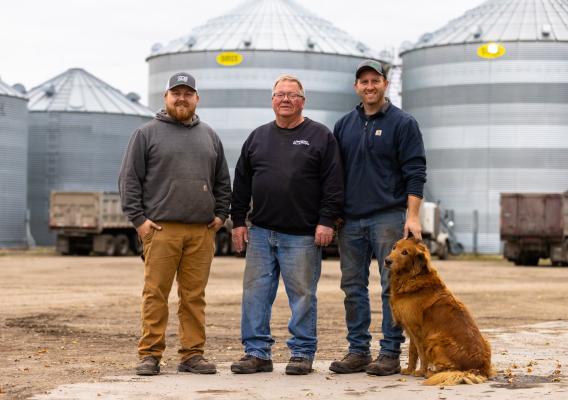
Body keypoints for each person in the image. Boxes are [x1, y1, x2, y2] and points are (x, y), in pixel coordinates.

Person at [118, 72, 231, 376]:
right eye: (176, 93)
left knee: (194, 297)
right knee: (156, 293)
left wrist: (221, 215)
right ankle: (150, 355)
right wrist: (139, 221)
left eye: (188, 93)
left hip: (202, 231)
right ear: (165, 97)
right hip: (161, 230)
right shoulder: (146, 133)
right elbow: (129, 180)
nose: (182, 98)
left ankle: (192, 355)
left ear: (197, 98)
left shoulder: (209, 135)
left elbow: (223, 180)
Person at [230, 75, 344, 375]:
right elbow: (241, 182)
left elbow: (334, 183)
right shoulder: (257, 137)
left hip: (303, 235)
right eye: (279, 94)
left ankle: (302, 353)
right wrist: (239, 221)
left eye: (292, 95)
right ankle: (257, 353)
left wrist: (326, 220)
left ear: (302, 101)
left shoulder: (320, 136)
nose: (285, 99)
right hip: (261, 232)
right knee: (255, 295)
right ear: (272, 101)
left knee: (303, 296)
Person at [329, 60, 427, 375]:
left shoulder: (403, 123)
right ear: (356, 87)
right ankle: (358, 350)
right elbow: (334, 174)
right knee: (353, 286)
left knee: (392, 288)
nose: (370, 86)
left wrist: (412, 216)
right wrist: (334, 214)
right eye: (364, 82)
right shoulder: (344, 125)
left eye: (375, 81)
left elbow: (415, 171)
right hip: (351, 221)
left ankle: (389, 353)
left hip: (388, 218)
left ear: (384, 84)